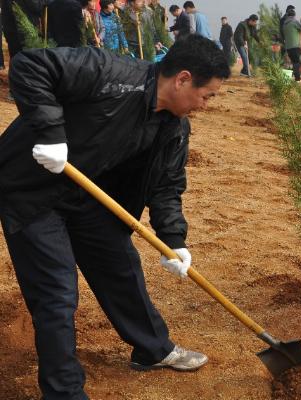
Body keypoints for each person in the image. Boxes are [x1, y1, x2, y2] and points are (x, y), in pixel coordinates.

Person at [0, 34, 230, 400]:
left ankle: (153, 349)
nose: (207, 104)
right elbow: (31, 65)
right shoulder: (110, 73)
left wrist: (174, 240)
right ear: (183, 79)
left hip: (86, 194)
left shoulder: (173, 126)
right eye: (208, 95)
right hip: (31, 190)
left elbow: (167, 185)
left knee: (120, 265)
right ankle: (63, 393)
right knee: (57, 292)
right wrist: (50, 133)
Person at [282, 8, 301, 82]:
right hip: (295, 45)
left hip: (288, 47)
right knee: (296, 62)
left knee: (291, 62)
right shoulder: (294, 21)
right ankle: (297, 79)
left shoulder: (285, 24)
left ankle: (288, 78)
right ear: (294, 15)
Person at [234, 13, 260, 78]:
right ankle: (247, 73)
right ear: (250, 20)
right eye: (255, 22)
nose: (255, 23)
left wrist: (260, 41)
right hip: (239, 42)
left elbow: (255, 35)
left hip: (246, 42)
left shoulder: (253, 26)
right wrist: (243, 44)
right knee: (245, 57)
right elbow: (239, 36)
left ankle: (243, 72)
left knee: (249, 57)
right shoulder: (241, 25)